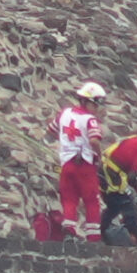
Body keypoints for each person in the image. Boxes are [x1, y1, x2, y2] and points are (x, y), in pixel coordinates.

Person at [47, 81, 107, 241]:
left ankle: (69, 230)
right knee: (92, 200)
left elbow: (51, 130)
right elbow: (94, 141)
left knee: (69, 199)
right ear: (87, 102)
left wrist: (67, 143)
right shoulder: (90, 119)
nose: (97, 108)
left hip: (67, 163)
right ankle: (93, 236)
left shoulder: (64, 113)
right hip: (85, 165)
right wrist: (100, 155)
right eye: (96, 104)